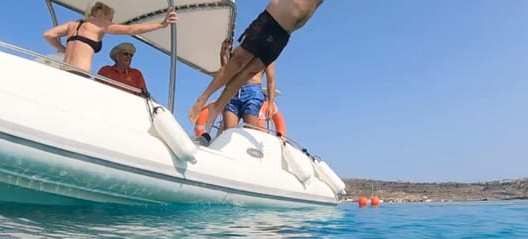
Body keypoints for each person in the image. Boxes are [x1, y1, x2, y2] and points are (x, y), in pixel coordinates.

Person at [188, 0, 323, 123]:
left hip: (284, 35)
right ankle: (202, 99)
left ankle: (217, 107)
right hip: (271, 20)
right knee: (237, 62)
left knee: (249, 73)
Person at [43, 1, 177, 73]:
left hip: (63, 70)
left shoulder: (73, 24)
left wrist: (64, 49)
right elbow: (130, 29)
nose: (111, 22)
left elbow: (48, 35)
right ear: (104, 15)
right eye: (111, 19)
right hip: (79, 73)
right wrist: (161, 25)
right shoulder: (100, 24)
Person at [193, 38, 276, 145]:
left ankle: (251, 151)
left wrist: (270, 104)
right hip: (233, 91)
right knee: (229, 131)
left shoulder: (268, 53)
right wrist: (223, 53)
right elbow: (227, 70)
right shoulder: (240, 50)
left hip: (252, 91)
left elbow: (271, 81)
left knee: (250, 130)